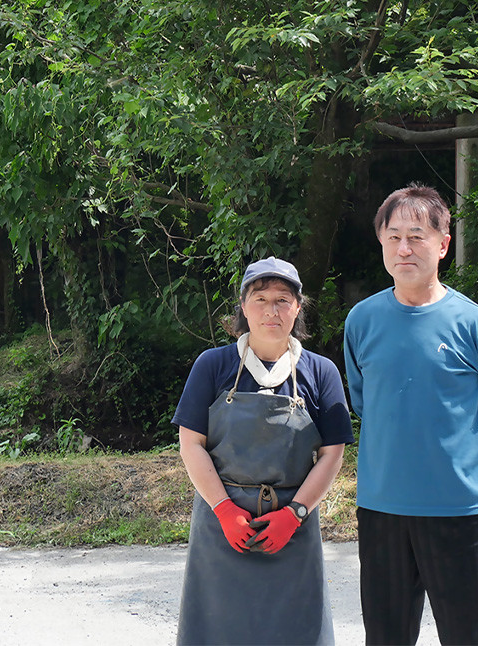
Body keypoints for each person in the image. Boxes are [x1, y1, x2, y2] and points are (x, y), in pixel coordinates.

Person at [343, 183, 478, 646]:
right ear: (381, 242)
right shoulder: (361, 320)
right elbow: (364, 401)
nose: (405, 247)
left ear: (443, 244)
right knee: (385, 636)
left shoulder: (476, 325)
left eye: (417, 235)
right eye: (394, 235)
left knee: (467, 635)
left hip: (458, 507)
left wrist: (466, 457)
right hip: (382, 505)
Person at [173, 257, 354, 646]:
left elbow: (332, 453)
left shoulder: (321, 372)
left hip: (293, 526)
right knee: (218, 630)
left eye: (283, 300)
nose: (271, 310)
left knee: (297, 631)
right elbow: (192, 444)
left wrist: (296, 513)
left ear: (298, 308)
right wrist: (223, 509)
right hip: (222, 524)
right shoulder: (212, 365)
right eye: (260, 298)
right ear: (243, 306)